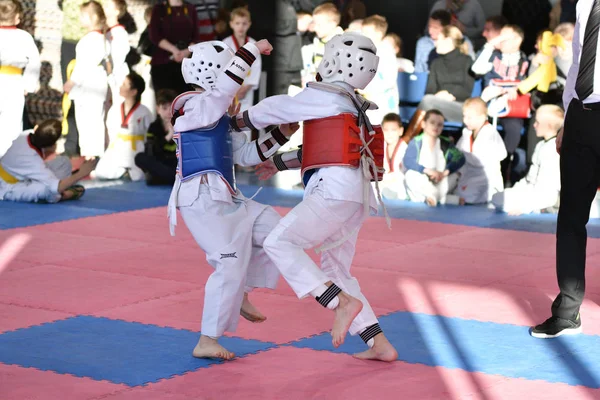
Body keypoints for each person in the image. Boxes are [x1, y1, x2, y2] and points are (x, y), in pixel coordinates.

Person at [238, 31, 399, 362]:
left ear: (336, 61)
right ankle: (377, 342)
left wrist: (233, 120)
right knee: (337, 270)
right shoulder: (352, 104)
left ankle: (339, 302)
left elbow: (280, 108)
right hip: (355, 197)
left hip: (334, 192)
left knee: (279, 242)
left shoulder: (327, 95)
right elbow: (326, 148)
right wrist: (277, 163)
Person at [168, 39, 299, 360]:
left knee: (275, 230)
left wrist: (283, 133)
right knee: (228, 263)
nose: (235, 88)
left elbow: (246, 155)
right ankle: (207, 339)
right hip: (200, 197)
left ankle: (241, 292)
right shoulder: (194, 105)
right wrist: (251, 49)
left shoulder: (218, 110)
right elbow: (221, 93)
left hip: (227, 195)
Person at [530, 0, 599, 339]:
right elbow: (577, 63)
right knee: (571, 216)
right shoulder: (585, 3)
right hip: (582, 115)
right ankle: (568, 312)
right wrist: (567, 118)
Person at [0, 119, 97, 203]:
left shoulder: (25, 134)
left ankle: (60, 185)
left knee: (64, 162)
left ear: (36, 128)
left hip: (23, 175)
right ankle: (64, 195)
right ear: (53, 144)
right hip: (8, 188)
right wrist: (81, 173)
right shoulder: (34, 161)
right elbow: (55, 187)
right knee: (49, 191)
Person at [63, 0, 110, 159]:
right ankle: (91, 157)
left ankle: (92, 158)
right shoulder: (100, 38)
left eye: (83, 16)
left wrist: (72, 81)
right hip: (94, 84)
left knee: (89, 124)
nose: (80, 19)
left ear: (92, 17)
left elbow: (84, 64)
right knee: (92, 123)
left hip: (89, 85)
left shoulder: (92, 39)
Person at [0, 0, 41, 159]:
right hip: (14, 82)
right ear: (17, 17)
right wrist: (29, 85)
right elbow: (34, 62)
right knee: (12, 125)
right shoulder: (24, 37)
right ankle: (9, 161)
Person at [94, 72, 152, 181]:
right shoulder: (115, 109)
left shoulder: (144, 111)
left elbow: (149, 132)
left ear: (134, 91)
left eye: (125, 85)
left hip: (136, 148)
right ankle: (124, 172)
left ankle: (129, 171)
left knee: (140, 177)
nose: (121, 87)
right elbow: (110, 129)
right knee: (100, 172)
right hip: (118, 146)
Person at [403, 109, 466, 206]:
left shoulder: (446, 143)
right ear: (423, 124)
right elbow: (408, 161)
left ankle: (432, 198)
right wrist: (427, 171)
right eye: (432, 123)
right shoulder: (416, 142)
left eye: (440, 124)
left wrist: (445, 173)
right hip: (423, 179)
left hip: (441, 179)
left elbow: (460, 158)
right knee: (410, 175)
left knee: (456, 175)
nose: (436, 127)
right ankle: (444, 199)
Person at [455, 98, 507, 204]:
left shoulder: (490, 133)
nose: (465, 121)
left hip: (487, 178)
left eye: (469, 117)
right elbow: (457, 152)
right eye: (464, 116)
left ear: (482, 117)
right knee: (456, 192)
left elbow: (501, 154)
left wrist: (463, 156)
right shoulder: (467, 132)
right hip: (470, 176)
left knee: (465, 197)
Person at [135, 89, 178, 185]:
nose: (168, 113)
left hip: (176, 164)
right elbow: (151, 152)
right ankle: (170, 178)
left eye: (171, 109)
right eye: (164, 108)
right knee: (139, 157)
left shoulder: (183, 124)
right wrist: (168, 136)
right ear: (158, 109)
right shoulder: (154, 127)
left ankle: (167, 178)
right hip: (161, 163)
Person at [223, 7, 261, 112]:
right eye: (237, 23)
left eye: (244, 23)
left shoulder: (254, 44)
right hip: (229, 89)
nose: (241, 27)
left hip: (246, 91)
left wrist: (246, 88)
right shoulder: (225, 44)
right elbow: (221, 67)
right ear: (231, 24)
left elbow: (256, 68)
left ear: (249, 24)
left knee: (245, 119)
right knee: (228, 117)